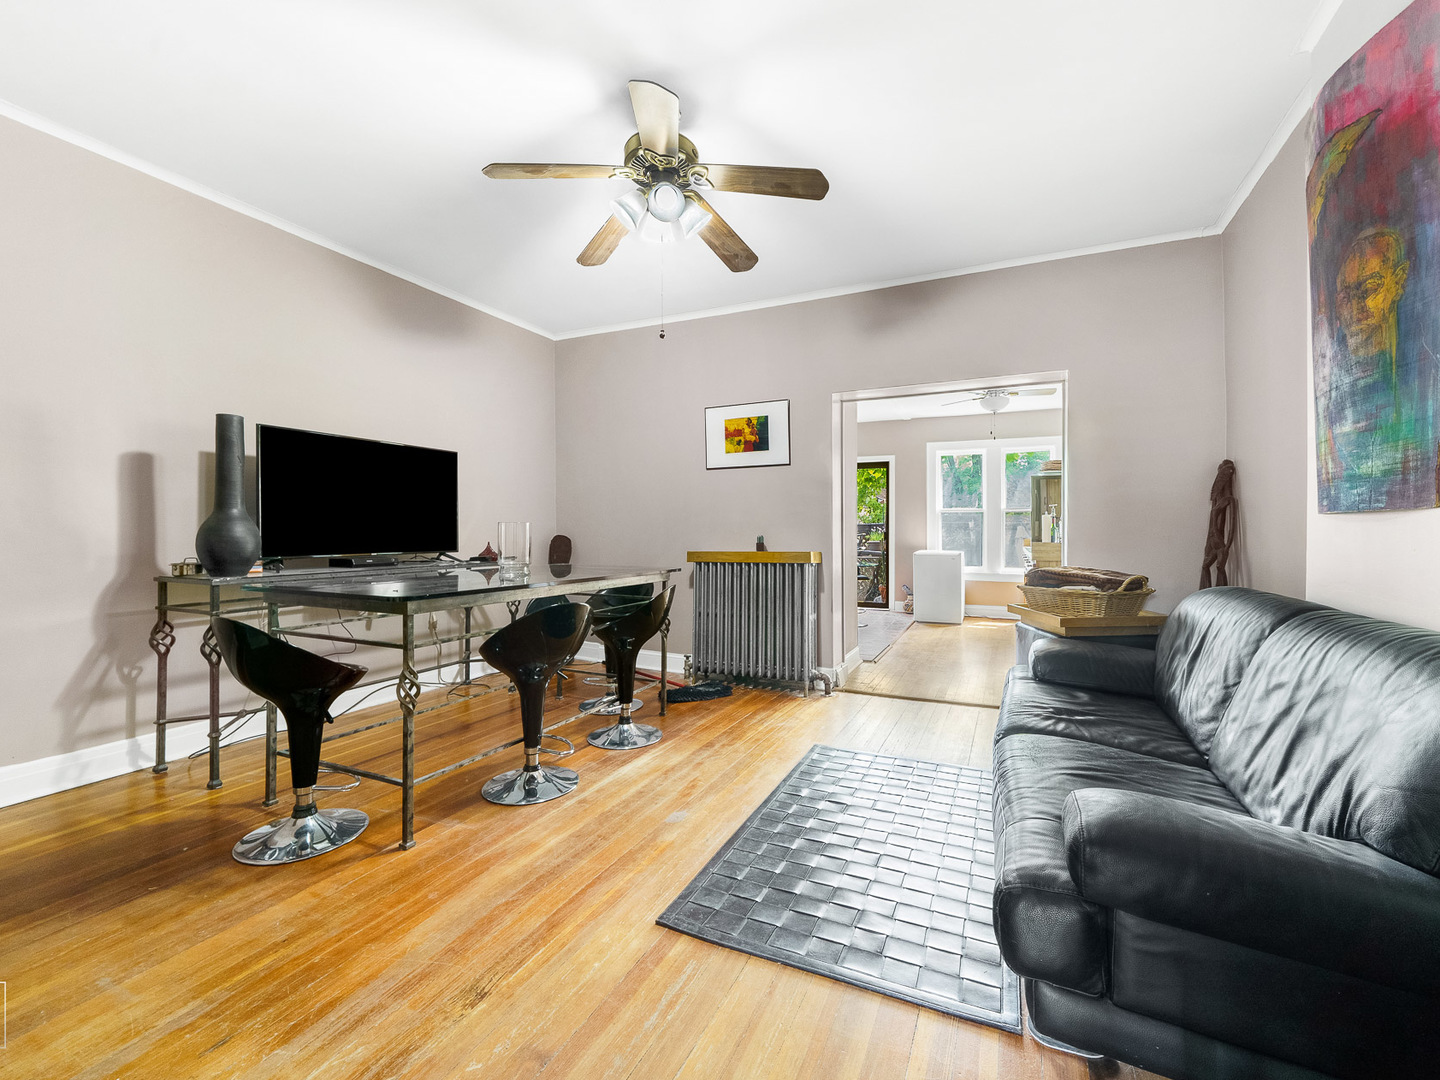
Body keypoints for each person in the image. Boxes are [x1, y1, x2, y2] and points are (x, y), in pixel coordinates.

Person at [1319, 226, 1437, 510]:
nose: (1356, 307)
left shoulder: (1428, 381)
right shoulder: (1329, 391)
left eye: (1370, 288)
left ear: (1397, 283)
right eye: (1346, 297)